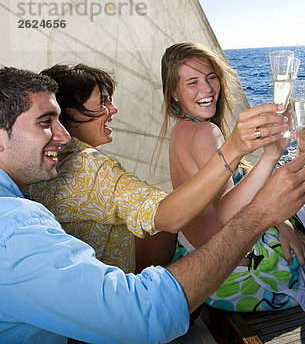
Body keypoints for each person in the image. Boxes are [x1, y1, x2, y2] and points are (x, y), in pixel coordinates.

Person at [0, 66, 305, 343]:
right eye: (46, 122)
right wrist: (247, 171)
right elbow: (167, 219)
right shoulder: (40, 207)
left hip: (76, 312)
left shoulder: (33, 181)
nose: (63, 135)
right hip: (104, 321)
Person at [28, 64, 287, 273]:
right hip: (117, 295)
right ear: (71, 114)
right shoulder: (90, 168)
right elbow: (170, 218)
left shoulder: (37, 163)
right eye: (104, 102)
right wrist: (233, 149)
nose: (114, 109)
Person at [157, 42, 305, 312]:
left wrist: (281, 221)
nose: (207, 89)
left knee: (293, 214)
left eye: (211, 77)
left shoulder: (182, 129)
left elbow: (216, 200)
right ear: (174, 93)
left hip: (194, 265)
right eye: (192, 82)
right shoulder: (205, 133)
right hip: (234, 279)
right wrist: (271, 156)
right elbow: (226, 212)